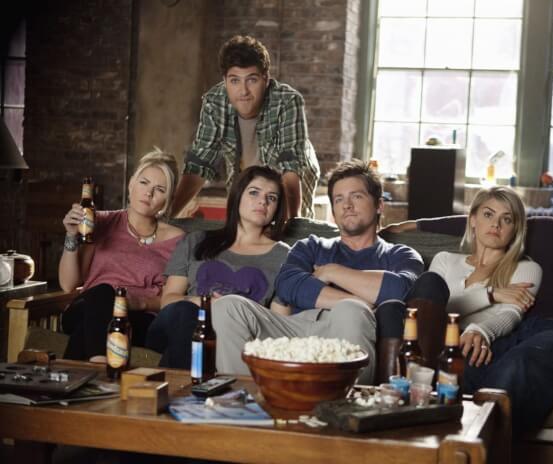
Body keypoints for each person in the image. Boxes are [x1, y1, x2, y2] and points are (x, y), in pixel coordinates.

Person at [384, 160, 553, 435]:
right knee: (465, 365)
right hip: (524, 329)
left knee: (521, 364)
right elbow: (490, 220)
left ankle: (474, 451)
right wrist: (412, 226)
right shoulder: (549, 230)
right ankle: (433, 442)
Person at [211, 160, 424, 384]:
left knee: (350, 310)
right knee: (228, 306)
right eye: (339, 199)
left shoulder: (401, 255)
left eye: (356, 196)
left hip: (349, 329)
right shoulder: (312, 246)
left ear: (379, 205)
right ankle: (243, 397)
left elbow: (401, 290)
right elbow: (288, 284)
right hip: (295, 329)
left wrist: (331, 271)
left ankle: (348, 403)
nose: (347, 205)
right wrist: (367, 299)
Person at [145, 165, 290, 368]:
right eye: (254, 192)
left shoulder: (285, 257)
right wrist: (209, 304)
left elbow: (278, 324)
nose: (262, 201)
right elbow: (168, 301)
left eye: (271, 198)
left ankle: (185, 383)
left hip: (235, 336)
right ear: (237, 197)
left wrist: (231, 312)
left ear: (277, 209)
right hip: (180, 322)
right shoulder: (196, 241)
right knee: (184, 313)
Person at [171, 34, 320, 220]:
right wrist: (168, 216)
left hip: (293, 178)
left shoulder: (287, 102)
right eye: (235, 81)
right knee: (243, 228)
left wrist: (291, 225)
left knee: (294, 225)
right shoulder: (215, 102)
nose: (243, 91)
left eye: (252, 80)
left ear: (265, 79)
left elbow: (290, 168)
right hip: (244, 178)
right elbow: (200, 165)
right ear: (225, 80)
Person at [60, 148, 185, 360]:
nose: (149, 193)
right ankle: (100, 364)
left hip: (138, 317)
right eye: (144, 183)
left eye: (159, 189)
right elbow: (68, 284)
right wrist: (71, 235)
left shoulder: (178, 239)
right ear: (131, 185)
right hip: (90, 305)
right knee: (104, 293)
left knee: (93, 326)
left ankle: (77, 375)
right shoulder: (99, 221)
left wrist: (138, 302)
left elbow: (170, 297)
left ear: (168, 200)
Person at [427, 187, 542, 367]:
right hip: (431, 337)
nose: (496, 224)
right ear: (473, 219)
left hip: (475, 344)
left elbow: (511, 314)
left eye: (507, 219)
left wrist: (481, 331)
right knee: (426, 285)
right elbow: (431, 312)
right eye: (488, 214)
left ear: (515, 230)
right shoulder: (444, 259)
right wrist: (491, 294)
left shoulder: (527, 268)